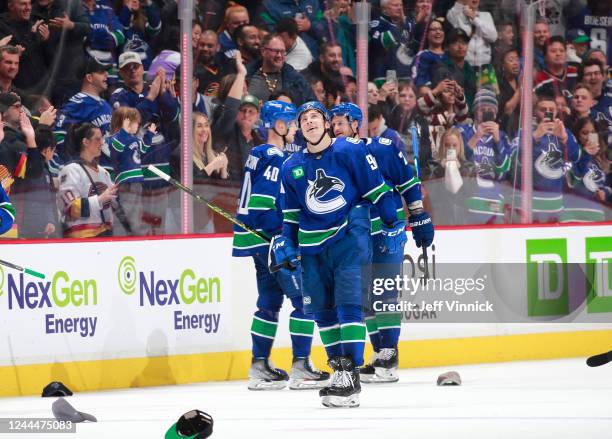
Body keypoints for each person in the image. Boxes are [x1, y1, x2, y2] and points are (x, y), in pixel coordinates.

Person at [272, 101, 405, 407]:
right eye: (304, 118)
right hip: (312, 245)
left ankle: (350, 374)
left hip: (349, 238)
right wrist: (287, 243)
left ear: (327, 123)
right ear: (300, 127)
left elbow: (377, 190)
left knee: (349, 305)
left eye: (315, 116)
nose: (309, 122)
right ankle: (339, 369)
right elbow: (291, 214)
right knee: (322, 311)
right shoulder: (290, 166)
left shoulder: (349, 151)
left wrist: (393, 222)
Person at [330, 102, 434, 383]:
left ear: (355, 124)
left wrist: (419, 216)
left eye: (341, 122)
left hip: (387, 230)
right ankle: (379, 354)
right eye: (333, 123)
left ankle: (389, 355)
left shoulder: (383, 148)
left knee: (384, 291)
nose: (335, 128)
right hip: (355, 235)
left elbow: (408, 183)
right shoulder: (332, 156)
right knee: (363, 297)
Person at [232, 100, 329, 391]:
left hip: (256, 241)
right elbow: (264, 202)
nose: (297, 128)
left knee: (269, 303)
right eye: (292, 122)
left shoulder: (259, 153)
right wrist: (280, 235)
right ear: (279, 125)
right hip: (271, 240)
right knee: (304, 300)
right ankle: (301, 366)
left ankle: (258, 365)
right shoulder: (274, 156)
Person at [456, 87, 511, 224]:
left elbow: (504, 172)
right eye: (482, 110)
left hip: (494, 199)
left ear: (496, 113)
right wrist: (476, 137)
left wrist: (497, 141)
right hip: (467, 196)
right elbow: (457, 162)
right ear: (475, 111)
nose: (486, 113)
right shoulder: (461, 132)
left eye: (490, 111)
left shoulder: (502, 137)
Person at [53, 58, 113, 175]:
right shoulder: (78, 103)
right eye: (101, 72)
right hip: (91, 171)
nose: (107, 74)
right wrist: (69, 162)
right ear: (89, 78)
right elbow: (58, 132)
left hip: (109, 168)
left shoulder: (105, 104)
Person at [57, 123, 117, 238]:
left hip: (106, 237)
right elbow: (70, 207)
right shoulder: (70, 170)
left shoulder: (103, 172)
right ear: (85, 142)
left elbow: (114, 203)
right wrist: (99, 200)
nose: (102, 142)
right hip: (81, 239)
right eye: (98, 139)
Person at [108, 106, 155, 236]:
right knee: (129, 213)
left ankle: (136, 234)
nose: (138, 125)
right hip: (126, 182)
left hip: (136, 181)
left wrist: (149, 135)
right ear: (126, 122)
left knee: (136, 212)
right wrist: (123, 131)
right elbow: (116, 150)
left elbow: (144, 148)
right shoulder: (115, 139)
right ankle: (132, 235)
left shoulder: (134, 139)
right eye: (136, 122)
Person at [246, 34, 315, 105]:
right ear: (263, 51)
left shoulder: (296, 80)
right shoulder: (246, 76)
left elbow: (313, 107)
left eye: (282, 52)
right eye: (275, 51)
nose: (279, 55)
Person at [565, 117, 610, 222]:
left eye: (593, 132)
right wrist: (585, 154)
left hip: (596, 212)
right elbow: (573, 180)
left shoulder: (601, 158)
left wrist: (604, 192)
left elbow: (605, 184)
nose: (589, 137)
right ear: (577, 135)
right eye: (585, 133)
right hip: (573, 213)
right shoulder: (573, 157)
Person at [0, 0, 50, 95]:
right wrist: (32, 36)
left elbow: (50, 57)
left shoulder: (36, 21)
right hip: (17, 90)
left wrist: (46, 40)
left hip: (43, 87)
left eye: (29, 3)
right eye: (23, 4)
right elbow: (11, 60)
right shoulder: (2, 27)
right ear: (11, 6)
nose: (28, 8)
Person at [417, 76, 469, 159]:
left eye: (453, 91)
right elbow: (419, 107)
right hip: (436, 161)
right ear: (439, 95)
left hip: (457, 162)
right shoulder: (432, 116)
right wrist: (435, 91)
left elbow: (463, 115)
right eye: (446, 91)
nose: (451, 93)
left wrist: (460, 95)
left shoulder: (458, 117)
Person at [117, 0, 161, 70]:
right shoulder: (116, 20)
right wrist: (127, 9)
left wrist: (148, 3)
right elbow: (122, 27)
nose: (135, 1)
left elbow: (155, 27)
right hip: (126, 70)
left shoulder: (143, 21)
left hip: (145, 69)